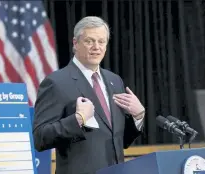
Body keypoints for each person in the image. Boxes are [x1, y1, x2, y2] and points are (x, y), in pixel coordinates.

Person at [33, 16, 145, 174]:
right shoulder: (56, 82)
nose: (96, 47)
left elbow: (118, 140)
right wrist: (78, 120)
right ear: (75, 43)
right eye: (89, 41)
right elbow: (40, 138)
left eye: (101, 41)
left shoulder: (115, 81)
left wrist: (138, 116)